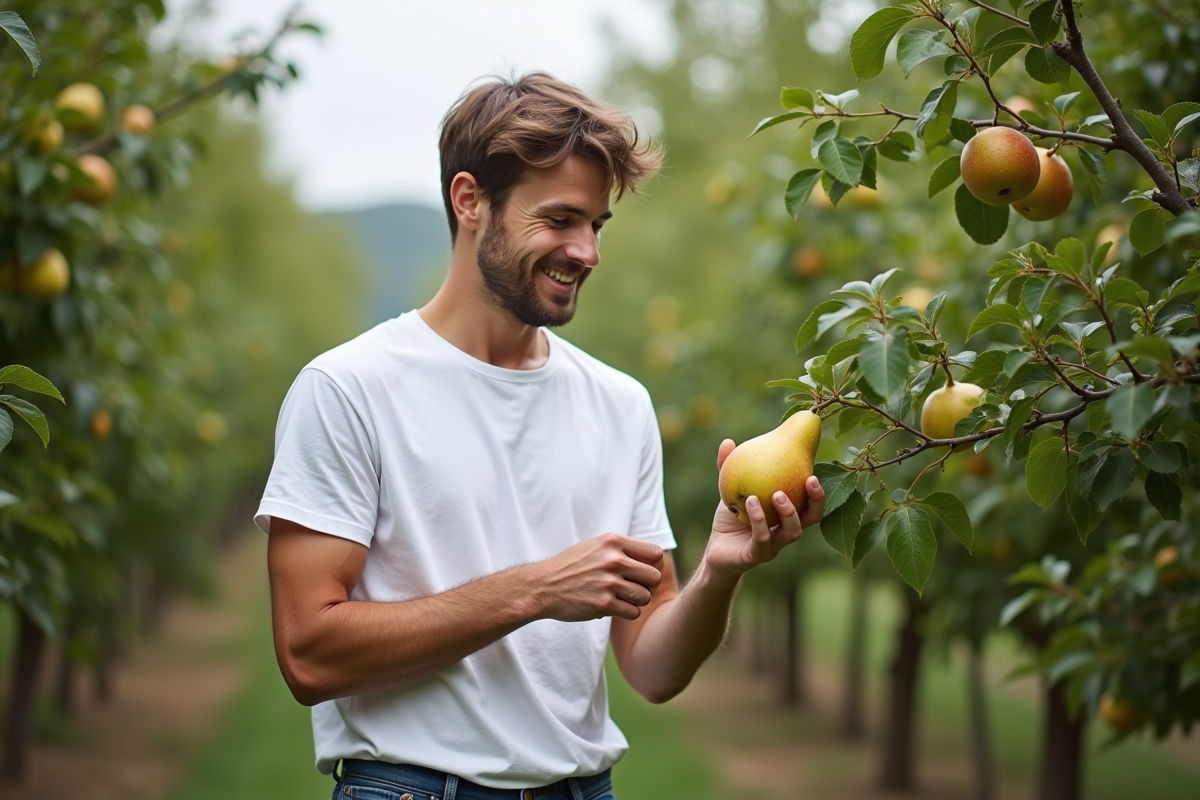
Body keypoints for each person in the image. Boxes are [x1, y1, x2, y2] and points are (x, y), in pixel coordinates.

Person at [257, 72, 825, 800]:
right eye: (560, 219)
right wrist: (535, 591)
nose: (585, 251)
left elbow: (651, 669)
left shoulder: (621, 404)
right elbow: (308, 656)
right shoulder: (349, 390)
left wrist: (720, 571)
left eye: (595, 225)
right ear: (470, 201)